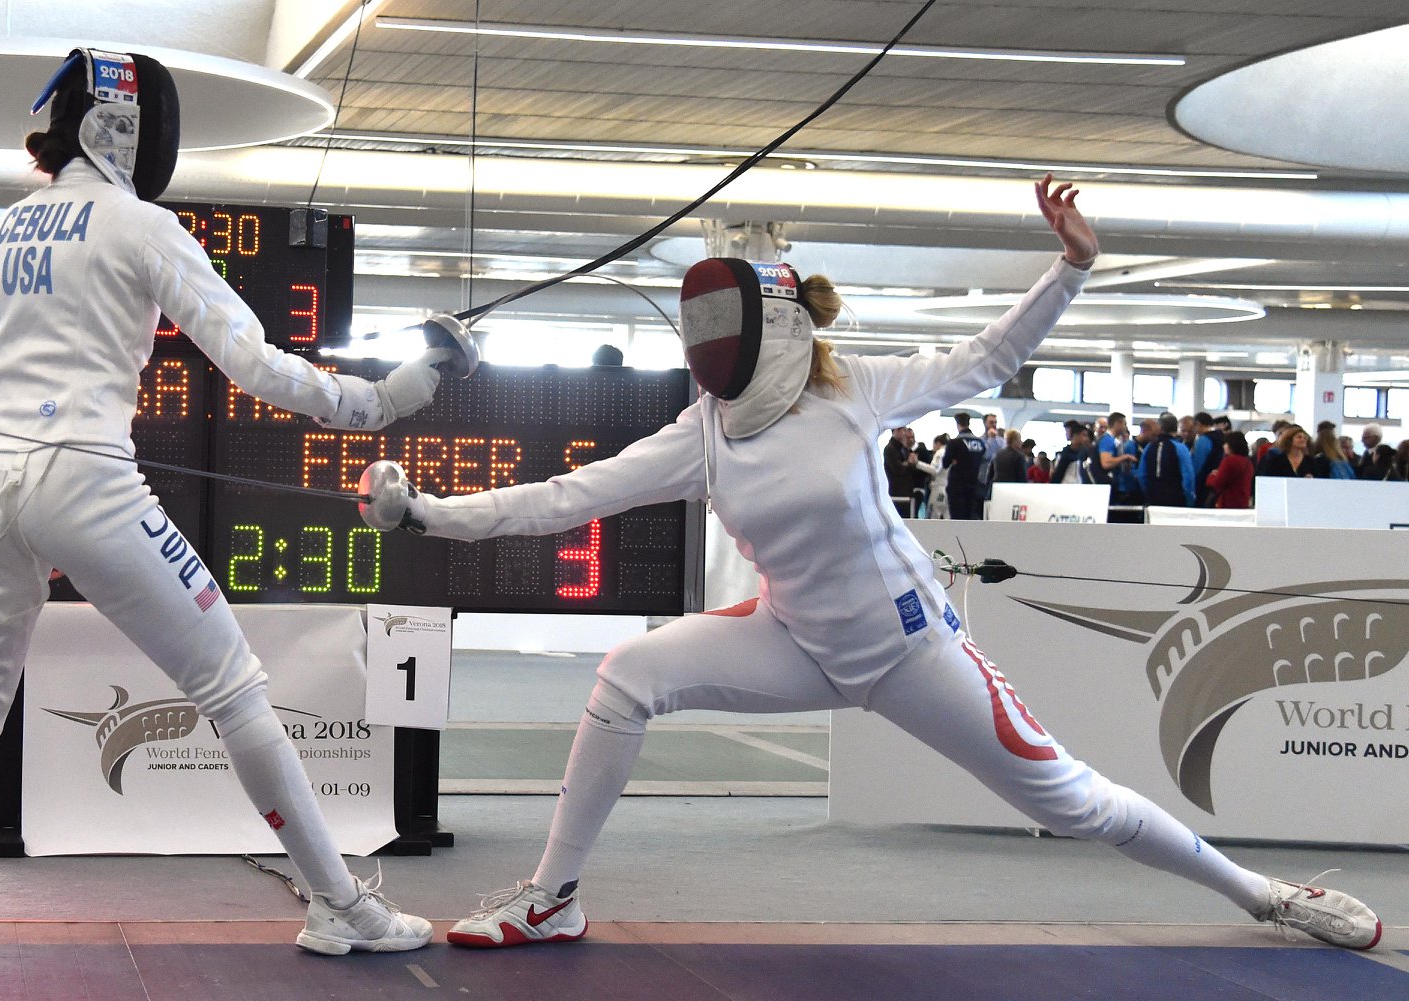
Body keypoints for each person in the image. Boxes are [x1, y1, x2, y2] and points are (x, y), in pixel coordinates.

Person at [359, 176, 1380, 952]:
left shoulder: (857, 392)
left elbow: (986, 360)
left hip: (909, 650)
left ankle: (1266, 894)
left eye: (722, 324)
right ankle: (555, 897)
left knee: (1073, 802)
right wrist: (424, 514)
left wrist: (1068, 266)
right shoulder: (704, 428)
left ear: (776, 327)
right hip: (793, 637)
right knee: (628, 675)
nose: (705, 345)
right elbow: (566, 497)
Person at [0, 47, 443, 959]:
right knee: (235, 689)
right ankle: (341, 905)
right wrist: (378, 401)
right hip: (87, 482)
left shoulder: (3, 232)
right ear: (129, 129)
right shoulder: (139, 225)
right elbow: (253, 363)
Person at [1140, 413, 1195, 508]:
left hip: (1153, 499)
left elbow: (1141, 475)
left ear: (1160, 427)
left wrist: (1148, 492)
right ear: (1176, 427)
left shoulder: (1149, 447)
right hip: (1176, 500)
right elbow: (1188, 477)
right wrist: (1189, 500)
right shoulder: (1181, 448)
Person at [945, 411, 988, 519]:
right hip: (974, 485)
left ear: (957, 424)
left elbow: (945, 463)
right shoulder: (980, 443)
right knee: (970, 518)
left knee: (957, 518)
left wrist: (955, 460)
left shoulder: (955, 443)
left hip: (957, 486)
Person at [1206, 432, 1254, 508]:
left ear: (1231, 445)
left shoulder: (1229, 461)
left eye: (1225, 443)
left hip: (1228, 502)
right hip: (1242, 502)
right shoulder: (1248, 462)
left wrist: (1211, 476)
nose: (1223, 446)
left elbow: (1218, 483)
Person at [1189, 410, 1223, 506]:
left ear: (1198, 424)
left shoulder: (1203, 440)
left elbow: (1197, 465)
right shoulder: (1221, 438)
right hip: (1216, 482)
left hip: (1203, 484)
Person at [1050, 421, 1099, 485]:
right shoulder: (1066, 453)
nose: (1086, 438)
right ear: (1075, 435)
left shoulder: (1086, 452)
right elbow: (1058, 474)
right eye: (1084, 435)